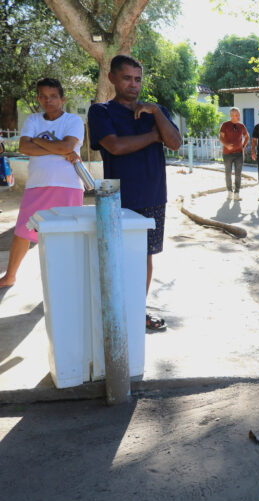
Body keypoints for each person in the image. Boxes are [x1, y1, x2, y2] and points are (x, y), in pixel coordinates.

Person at [88, 55, 182, 331]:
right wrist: (154, 136)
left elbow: (175, 143)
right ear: (112, 78)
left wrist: (156, 114)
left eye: (138, 79)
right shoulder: (101, 112)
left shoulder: (156, 110)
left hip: (153, 196)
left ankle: (137, 313)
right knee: (118, 258)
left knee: (145, 257)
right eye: (127, 78)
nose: (133, 84)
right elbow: (114, 146)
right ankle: (116, 315)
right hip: (120, 198)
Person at [0, 78, 84, 288]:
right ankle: (10, 276)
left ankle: (66, 280)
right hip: (37, 184)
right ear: (38, 98)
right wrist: (58, 148)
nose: (48, 100)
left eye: (53, 96)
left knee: (67, 234)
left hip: (68, 185)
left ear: (62, 99)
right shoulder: (33, 120)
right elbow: (25, 148)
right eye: (43, 96)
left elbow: (67, 146)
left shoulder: (73, 121)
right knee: (22, 232)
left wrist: (36, 140)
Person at [219, 107, 249, 201]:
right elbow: (220, 138)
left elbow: (247, 136)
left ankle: (237, 193)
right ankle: (229, 192)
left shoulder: (241, 126)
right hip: (227, 154)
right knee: (228, 173)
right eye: (236, 115)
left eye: (239, 114)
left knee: (238, 174)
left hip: (239, 154)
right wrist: (226, 145)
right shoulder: (225, 125)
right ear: (231, 116)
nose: (238, 116)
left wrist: (243, 146)